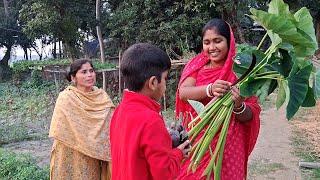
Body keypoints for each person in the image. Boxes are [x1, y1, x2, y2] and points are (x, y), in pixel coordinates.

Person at [175, 18, 261, 179]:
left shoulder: (242, 72)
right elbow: (183, 93)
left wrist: (238, 106)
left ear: (229, 41)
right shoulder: (197, 66)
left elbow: (251, 114)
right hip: (198, 139)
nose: (212, 47)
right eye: (206, 42)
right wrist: (210, 89)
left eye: (217, 41)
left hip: (229, 143)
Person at [110, 43, 191, 180]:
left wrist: (166, 141)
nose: (165, 84)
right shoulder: (151, 120)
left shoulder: (120, 110)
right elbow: (164, 174)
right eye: (165, 78)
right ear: (153, 83)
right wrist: (178, 153)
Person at [49, 59, 114, 180]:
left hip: (92, 156)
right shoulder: (66, 98)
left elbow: (110, 126)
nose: (89, 75)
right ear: (74, 78)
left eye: (91, 71)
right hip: (69, 153)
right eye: (84, 72)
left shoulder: (102, 97)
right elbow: (60, 128)